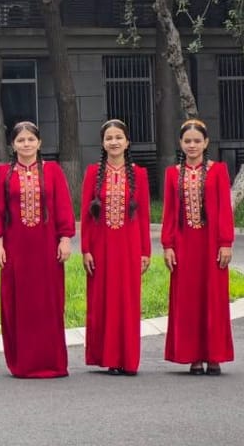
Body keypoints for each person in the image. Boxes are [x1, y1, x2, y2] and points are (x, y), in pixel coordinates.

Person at [0, 121, 75, 378]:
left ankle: (52, 362)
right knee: (18, 302)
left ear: (39, 143)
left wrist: (65, 238)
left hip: (47, 248)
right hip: (16, 249)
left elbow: (63, 206)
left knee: (48, 303)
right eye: (20, 140)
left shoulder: (53, 172)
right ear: (13, 145)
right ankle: (22, 363)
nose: (26, 144)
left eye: (30, 139)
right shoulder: (3, 173)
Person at [162, 118, 235, 375]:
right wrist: (167, 245)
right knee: (188, 299)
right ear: (180, 144)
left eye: (197, 141)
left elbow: (225, 210)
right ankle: (192, 355)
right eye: (187, 141)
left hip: (211, 244)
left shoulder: (218, 170)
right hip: (184, 245)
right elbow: (170, 212)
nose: (192, 145)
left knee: (213, 298)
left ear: (206, 143)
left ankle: (213, 355)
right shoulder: (173, 173)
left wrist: (226, 242)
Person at [80, 119, 151, 376]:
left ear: (127, 141)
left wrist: (145, 251)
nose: (114, 142)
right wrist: (86, 249)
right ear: (102, 143)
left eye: (118, 137)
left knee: (127, 301)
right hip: (100, 247)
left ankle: (128, 358)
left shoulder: (140, 174)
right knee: (103, 300)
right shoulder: (92, 173)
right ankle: (109, 357)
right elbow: (86, 215)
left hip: (130, 246)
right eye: (109, 138)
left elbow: (143, 216)